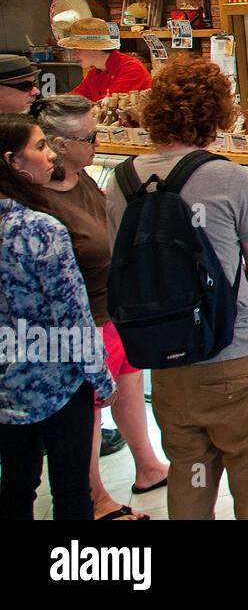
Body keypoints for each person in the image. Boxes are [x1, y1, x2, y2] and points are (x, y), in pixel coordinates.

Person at [104, 57, 248, 520]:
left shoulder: (119, 182)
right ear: (217, 114)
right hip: (235, 360)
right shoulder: (227, 176)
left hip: (166, 363)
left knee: (191, 473)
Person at [32, 94, 170, 520]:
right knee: (89, 410)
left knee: (130, 384)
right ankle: (94, 496)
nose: (98, 143)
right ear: (57, 144)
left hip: (115, 305)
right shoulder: (40, 197)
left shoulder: (82, 176)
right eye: (89, 137)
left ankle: (147, 465)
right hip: (83, 318)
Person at [0, 113, 117, 520]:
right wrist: (100, 378)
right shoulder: (40, 229)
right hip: (57, 383)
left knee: (16, 487)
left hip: (6, 383)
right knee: (71, 491)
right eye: (39, 146)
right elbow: (72, 316)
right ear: (12, 162)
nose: (50, 153)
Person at [58, 17, 152, 101]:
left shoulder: (131, 69)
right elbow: (73, 99)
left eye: (77, 49)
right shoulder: (93, 74)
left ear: (95, 48)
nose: (73, 55)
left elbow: (108, 105)